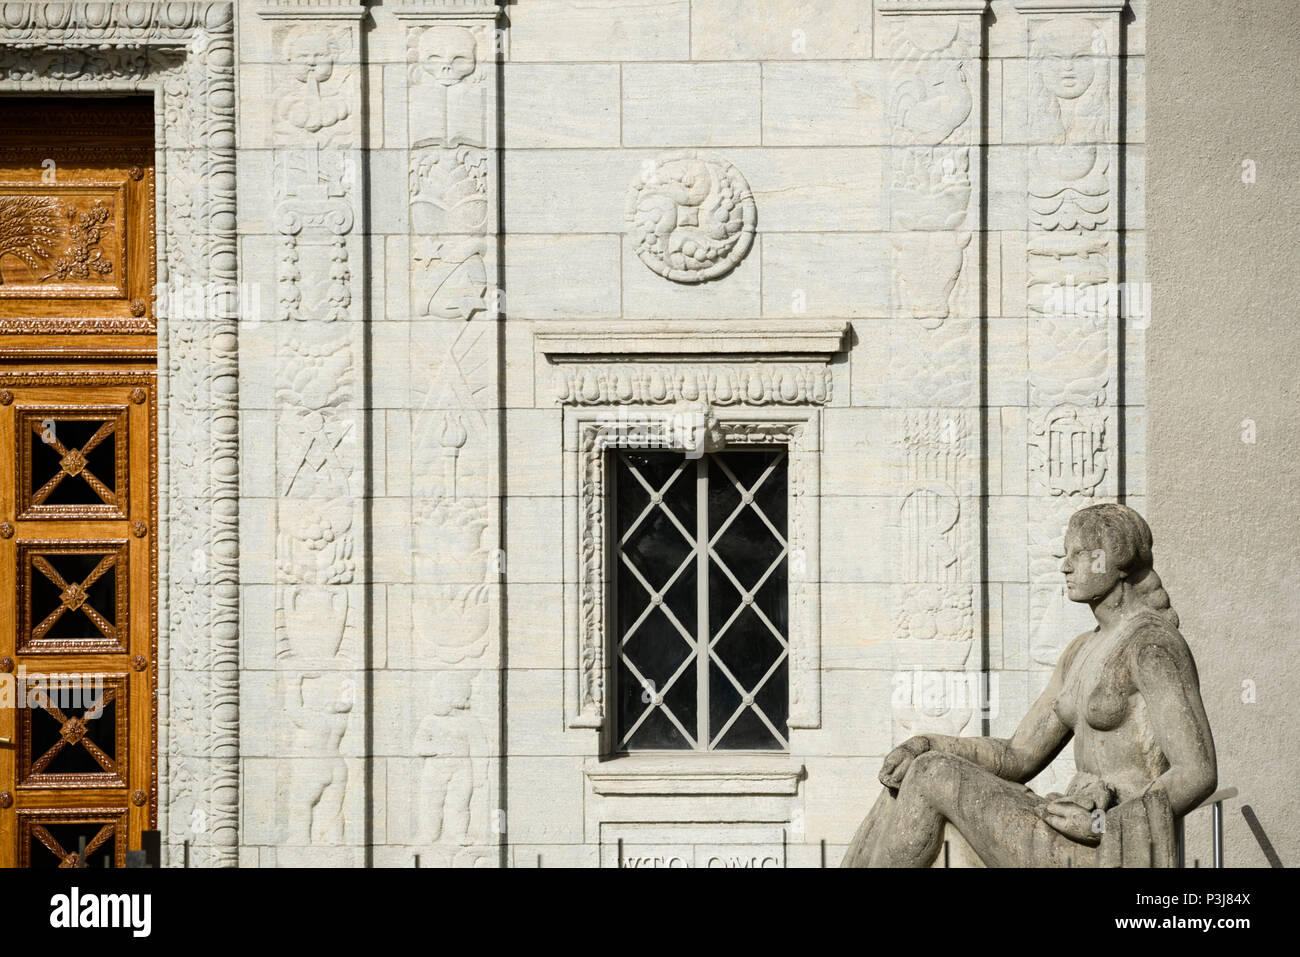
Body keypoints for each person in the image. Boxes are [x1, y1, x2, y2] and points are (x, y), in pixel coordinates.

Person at [842, 503, 1216, 867]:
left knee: (932, 773)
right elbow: (1017, 755)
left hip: (1106, 849)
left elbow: (1196, 772)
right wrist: (925, 742)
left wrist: (1102, 824)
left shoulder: (1151, 647)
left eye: (1080, 554)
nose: (1065, 566)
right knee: (910, 770)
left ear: (1117, 562)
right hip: (1066, 825)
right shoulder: (1081, 650)